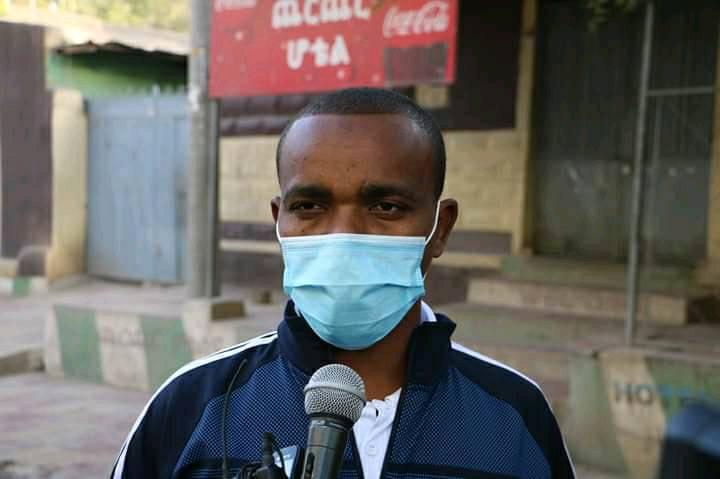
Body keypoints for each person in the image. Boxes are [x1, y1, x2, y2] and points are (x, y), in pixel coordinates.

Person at [111, 88, 575, 479]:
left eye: (386, 207)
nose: (343, 237)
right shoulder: (192, 406)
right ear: (279, 221)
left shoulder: (515, 417)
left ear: (440, 229)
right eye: (310, 207)